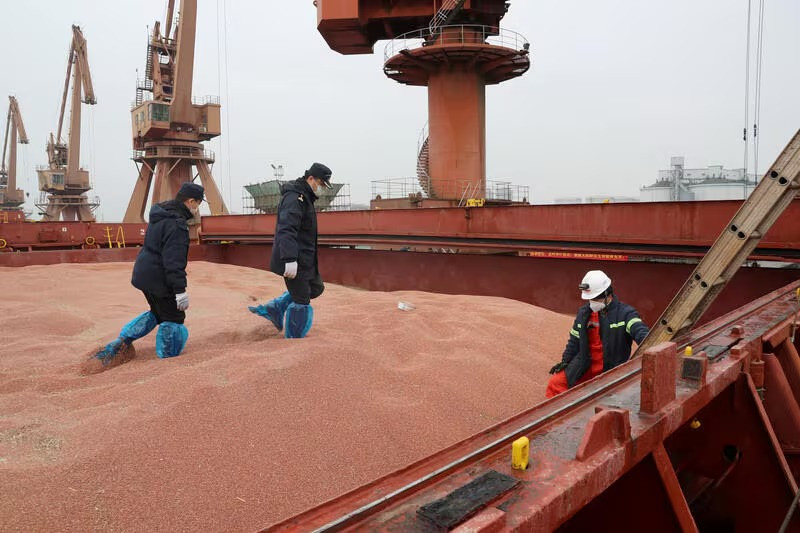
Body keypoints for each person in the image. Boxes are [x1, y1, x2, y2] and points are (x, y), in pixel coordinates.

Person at [92, 182, 204, 365]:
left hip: (144, 274)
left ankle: (121, 342)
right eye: (197, 204)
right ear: (190, 201)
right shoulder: (177, 225)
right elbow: (173, 262)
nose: (196, 209)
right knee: (174, 318)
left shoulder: (160, 214)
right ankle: (167, 359)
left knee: (158, 312)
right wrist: (180, 290)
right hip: (159, 278)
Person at [249, 163, 333, 338]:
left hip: (306, 258)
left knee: (316, 288)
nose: (322, 189)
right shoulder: (295, 198)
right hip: (295, 258)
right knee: (302, 300)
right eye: (321, 184)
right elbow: (287, 229)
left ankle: (275, 308)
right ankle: (294, 341)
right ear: (311, 178)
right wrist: (289, 259)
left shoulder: (306, 197)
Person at [545, 270, 649, 398]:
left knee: (605, 400)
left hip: (611, 367)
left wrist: (650, 345)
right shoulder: (583, 313)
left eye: (595, 298)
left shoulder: (625, 313)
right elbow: (574, 340)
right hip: (584, 364)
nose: (592, 302)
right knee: (555, 384)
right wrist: (565, 361)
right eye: (590, 299)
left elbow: (639, 330)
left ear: (607, 293)